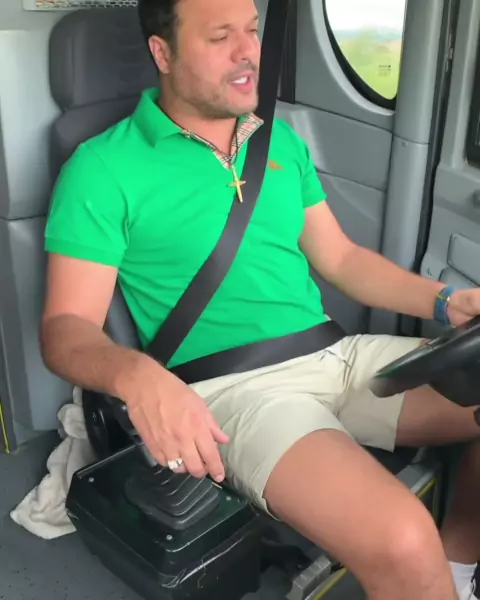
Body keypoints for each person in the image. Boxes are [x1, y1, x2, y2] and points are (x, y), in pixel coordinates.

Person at [40, 0, 480, 598]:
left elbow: (343, 260)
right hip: (240, 392)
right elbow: (65, 328)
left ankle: (456, 569)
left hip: (338, 357)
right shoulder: (101, 168)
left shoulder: (279, 142)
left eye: (251, 31)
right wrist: (137, 377)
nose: (249, 51)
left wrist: (445, 300)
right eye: (221, 36)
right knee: (402, 537)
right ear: (162, 53)